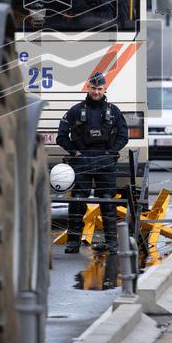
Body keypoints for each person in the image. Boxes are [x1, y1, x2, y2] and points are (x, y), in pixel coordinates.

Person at [56, 72, 129, 253]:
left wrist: (112, 152)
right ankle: (73, 242)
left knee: (107, 202)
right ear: (88, 88)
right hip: (82, 162)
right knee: (78, 201)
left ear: (105, 89)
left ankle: (112, 243)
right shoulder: (75, 111)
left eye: (99, 89)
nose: (96, 92)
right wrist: (74, 151)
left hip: (105, 162)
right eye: (93, 88)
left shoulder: (114, 111)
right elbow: (61, 137)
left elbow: (123, 136)